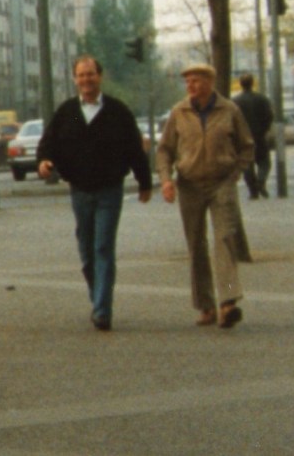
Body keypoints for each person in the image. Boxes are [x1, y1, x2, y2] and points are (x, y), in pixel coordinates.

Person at [37, 55, 152, 332]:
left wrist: (144, 182)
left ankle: (102, 310)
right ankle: (97, 294)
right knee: (87, 251)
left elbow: (135, 149)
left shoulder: (117, 111)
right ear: (75, 79)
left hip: (109, 190)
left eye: (90, 74)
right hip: (80, 190)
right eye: (81, 75)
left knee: (103, 247)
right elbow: (48, 143)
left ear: (100, 76)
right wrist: (44, 161)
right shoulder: (68, 112)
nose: (86, 80)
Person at [157, 63, 254, 330]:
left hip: (222, 182)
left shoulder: (229, 110)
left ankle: (229, 302)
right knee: (196, 244)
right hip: (189, 185)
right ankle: (205, 305)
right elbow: (164, 150)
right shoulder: (179, 112)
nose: (191, 86)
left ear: (210, 82)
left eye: (196, 81)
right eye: (188, 81)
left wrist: (235, 172)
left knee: (225, 239)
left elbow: (247, 146)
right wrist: (166, 180)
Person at [232, 74, 273, 200]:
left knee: (247, 164)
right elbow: (269, 116)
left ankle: (253, 191)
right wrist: (264, 130)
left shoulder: (235, 101)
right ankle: (261, 181)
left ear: (241, 84)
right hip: (259, 136)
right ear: (252, 83)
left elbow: (231, 119)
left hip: (242, 137)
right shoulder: (262, 99)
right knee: (264, 162)